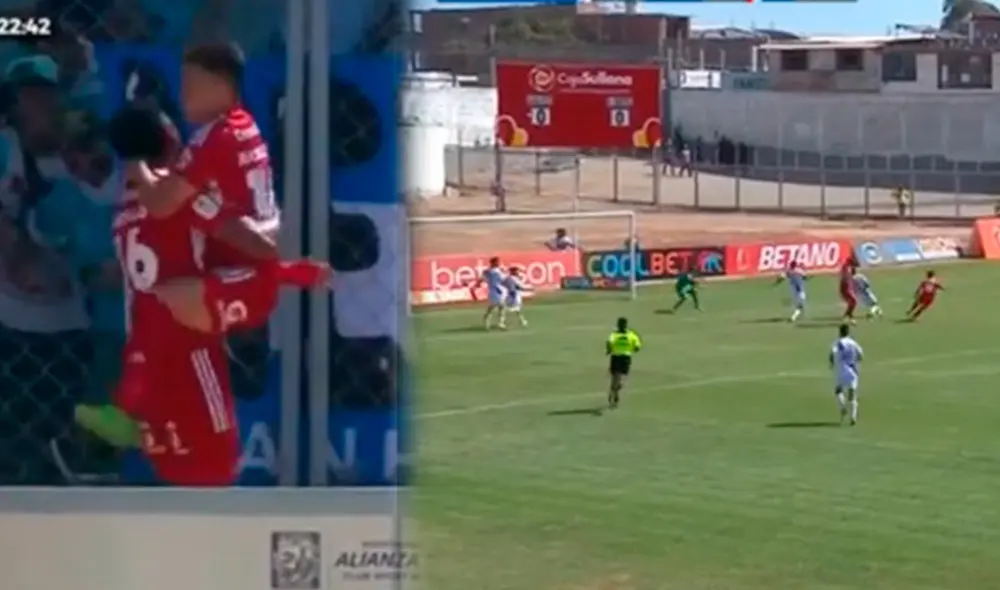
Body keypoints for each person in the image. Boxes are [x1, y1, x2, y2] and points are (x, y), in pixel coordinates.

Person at [74, 104, 328, 485]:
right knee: (216, 466)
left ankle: (125, 419)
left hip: (145, 352)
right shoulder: (181, 198)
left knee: (175, 467)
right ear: (174, 140)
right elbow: (239, 237)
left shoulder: (124, 210)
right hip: (191, 347)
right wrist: (282, 263)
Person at [122, 42, 284, 334]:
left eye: (190, 84)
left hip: (243, 276)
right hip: (254, 267)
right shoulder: (243, 124)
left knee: (157, 302)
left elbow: (160, 204)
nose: (183, 94)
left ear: (219, 85)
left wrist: (136, 164)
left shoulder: (212, 140)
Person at [829, 323, 864, 426]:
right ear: (848, 332)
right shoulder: (853, 343)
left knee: (838, 390)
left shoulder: (838, 343)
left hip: (841, 369)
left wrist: (831, 363)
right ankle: (853, 416)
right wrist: (856, 362)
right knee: (852, 393)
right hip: (853, 369)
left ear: (840, 332)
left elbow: (832, 353)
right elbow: (861, 355)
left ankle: (843, 407)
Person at [605, 317, 641, 409]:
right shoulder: (620, 334)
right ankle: (615, 392)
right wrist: (609, 349)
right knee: (617, 376)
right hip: (620, 357)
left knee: (618, 378)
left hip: (621, 357)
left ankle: (613, 391)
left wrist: (609, 350)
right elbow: (609, 342)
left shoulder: (628, 334)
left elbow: (637, 345)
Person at [471, 256, 505, 330]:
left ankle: (499, 323)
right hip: (494, 291)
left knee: (501, 306)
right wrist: (476, 286)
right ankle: (489, 321)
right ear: (493, 263)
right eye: (497, 262)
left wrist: (476, 285)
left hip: (498, 291)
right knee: (494, 307)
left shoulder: (493, 271)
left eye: (499, 262)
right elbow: (481, 279)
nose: (499, 263)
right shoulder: (492, 271)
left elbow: (481, 280)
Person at [839, 259, 858, 324]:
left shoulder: (848, 268)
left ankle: (849, 316)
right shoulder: (846, 268)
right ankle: (848, 316)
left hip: (848, 288)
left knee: (852, 303)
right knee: (854, 302)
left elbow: (851, 276)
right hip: (845, 288)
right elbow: (845, 278)